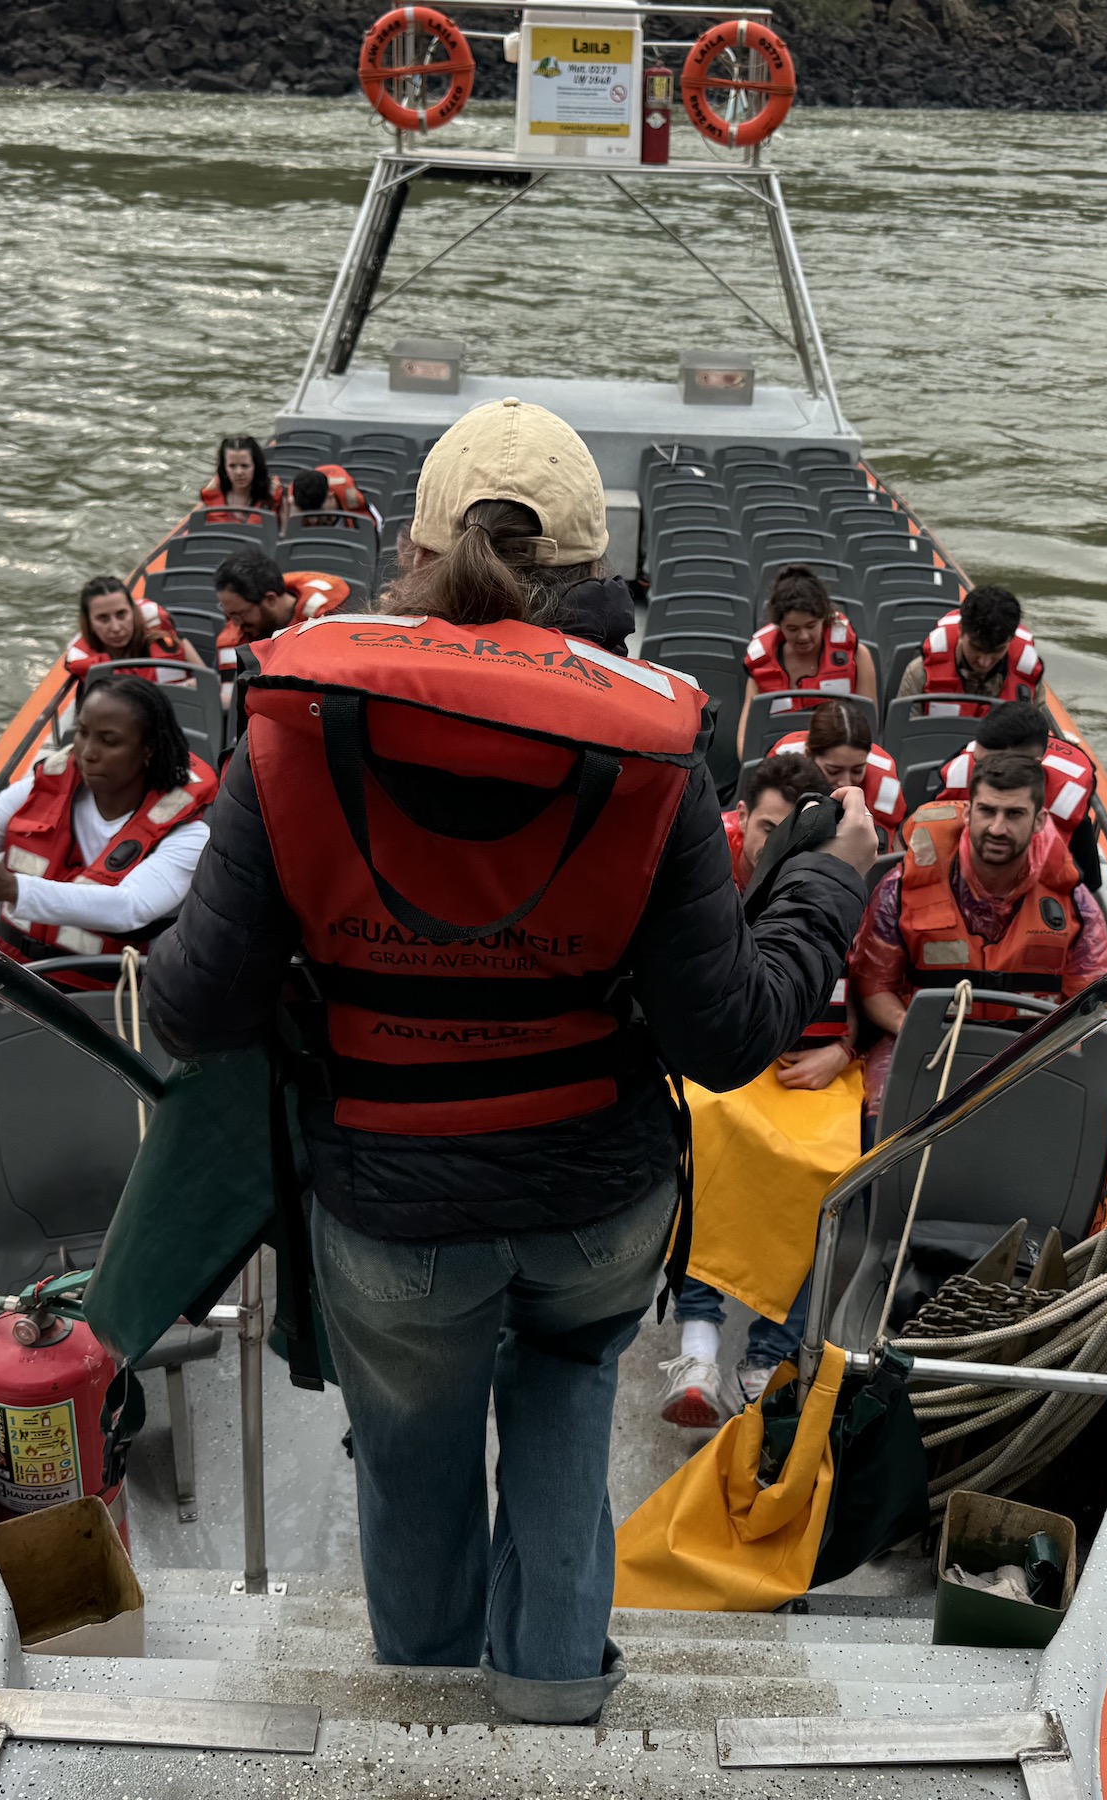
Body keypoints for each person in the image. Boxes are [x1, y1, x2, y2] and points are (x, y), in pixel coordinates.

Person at [142, 397, 874, 1727]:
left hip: (391, 1207)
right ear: (595, 581)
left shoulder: (290, 730)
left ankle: (421, 1714)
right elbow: (724, 1037)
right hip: (595, 1204)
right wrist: (826, 880)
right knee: (566, 1412)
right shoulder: (655, 754)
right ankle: (549, 1711)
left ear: (412, 553)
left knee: (413, 1460)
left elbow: (191, 1009)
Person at [671, 754, 852, 1427]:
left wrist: (844, 1047)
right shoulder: (697, 874)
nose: (775, 847)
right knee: (700, 1128)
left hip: (815, 1069)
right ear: (742, 818)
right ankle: (695, 1343)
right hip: (726, 1061)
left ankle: (769, 1355)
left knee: (830, 1176)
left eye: (790, 834)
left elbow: (881, 982)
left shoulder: (845, 880)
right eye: (765, 828)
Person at [0, 674, 214, 985]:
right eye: (82, 732)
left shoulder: (188, 833)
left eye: (109, 741)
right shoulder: (42, 786)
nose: (88, 753)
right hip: (16, 977)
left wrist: (13, 888)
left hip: (115, 998)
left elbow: (129, 906)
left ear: (148, 750)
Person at [849, 751, 1107, 1118]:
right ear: (967, 812)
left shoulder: (1073, 903)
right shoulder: (901, 889)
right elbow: (873, 986)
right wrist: (921, 1034)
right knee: (880, 1121)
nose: (997, 828)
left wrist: (1037, 1055)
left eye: (1014, 814)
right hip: (926, 1045)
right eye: (987, 811)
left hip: (1031, 1050)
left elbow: (1097, 1002)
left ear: (1039, 820)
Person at [933, 698, 1102, 889]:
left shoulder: (1067, 798)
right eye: (977, 762)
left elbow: (1086, 882)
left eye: (1014, 813)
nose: (980, 773)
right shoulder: (961, 769)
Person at [735, 565, 876, 745]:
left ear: (824, 619)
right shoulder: (762, 665)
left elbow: (868, 727)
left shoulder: (858, 656)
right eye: (792, 629)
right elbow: (746, 737)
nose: (803, 636)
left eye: (811, 626)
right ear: (779, 625)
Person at [211, 547, 351, 702]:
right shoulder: (238, 633)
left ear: (270, 600)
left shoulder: (324, 622)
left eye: (240, 614)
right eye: (229, 615)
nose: (236, 624)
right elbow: (232, 703)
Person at [768, 700, 908, 839]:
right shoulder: (783, 763)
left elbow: (885, 843)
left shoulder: (884, 779)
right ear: (809, 754)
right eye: (834, 771)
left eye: (857, 771)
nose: (846, 783)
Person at [894, 584, 1045, 712]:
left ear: (1011, 639)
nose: (984, 662)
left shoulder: (1028, 677)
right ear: (961, 630)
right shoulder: (920, 673)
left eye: (997, 651)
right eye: (976, 648)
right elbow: (900, 736)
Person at [62, 574, 204, 683]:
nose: (116, 628)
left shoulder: (159, 624)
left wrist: (194, 685)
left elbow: (205, 677)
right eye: (103, 618)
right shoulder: (82, 659)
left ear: (133, 611)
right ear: (89, 622)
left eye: (121, 614)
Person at [197, 433, 284, 521]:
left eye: (245, 466)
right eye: (232, 466)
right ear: (224, 467)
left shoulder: (274, 494)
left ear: (256, 466)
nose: (239, 472)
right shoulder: (211, 494)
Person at [289, 464, 379, 531]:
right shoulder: (296, 494)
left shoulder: (349, 495)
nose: (314, 521)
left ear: (330, 496)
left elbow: (371, 528)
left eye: (318, 512)